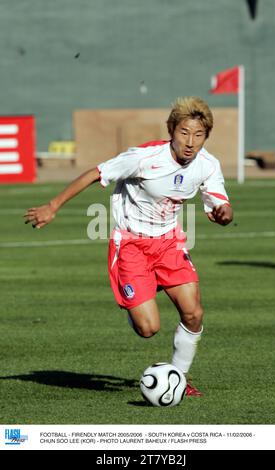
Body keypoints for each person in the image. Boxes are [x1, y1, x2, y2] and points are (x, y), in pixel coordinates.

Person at [24, 96, 233, 397]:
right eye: (184, 132)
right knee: (148, 329)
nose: (190, 142)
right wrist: (53, 205)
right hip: (132, 245)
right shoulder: (143, 158)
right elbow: (96, 173)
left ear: (206, 137)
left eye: (198, 135)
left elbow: (222, 206)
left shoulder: (207, 165)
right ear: (171, 130)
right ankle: (136, 299)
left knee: (194, 313)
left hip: (169, 243)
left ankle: (178, 378)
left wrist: (224, 215)